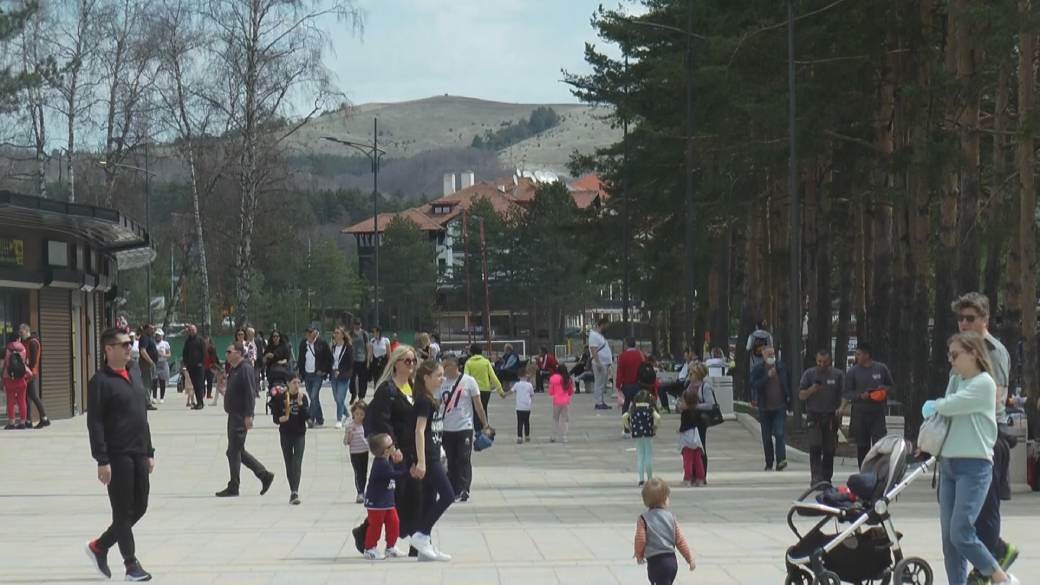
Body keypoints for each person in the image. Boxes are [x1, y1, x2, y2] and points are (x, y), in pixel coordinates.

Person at [922, 332, 1019, 585]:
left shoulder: (985, 383)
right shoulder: (956, 380)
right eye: (949, 356)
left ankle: (1000, 577)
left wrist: (937, 403)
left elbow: (950, 406)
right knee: (949, 540)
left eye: (955, 355)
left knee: (961, 532)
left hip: (974, 467)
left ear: (974, 354)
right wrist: (939, 403)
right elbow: (944, 407)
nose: (951, 361)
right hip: (949, 465)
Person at [950, 293, 1018, 580]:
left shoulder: (994, 351)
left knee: (985, 512)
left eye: (971, 318)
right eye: (961, 319)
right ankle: (996, 554)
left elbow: (996, 400)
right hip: (964, 440)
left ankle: (992, 565)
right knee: (968, 516)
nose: (964, 324)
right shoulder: (961, 350)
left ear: (985, 319)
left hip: (989, 438)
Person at [85, 328, 155, 582]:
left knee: (141, 507)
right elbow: (96, 424)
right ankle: (131, 565)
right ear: (108, 349)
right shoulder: (100, 382)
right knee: (123, 512)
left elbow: (141, 415)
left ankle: (99, 546)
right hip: (116, 455)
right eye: (124, 344)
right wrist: (102, 460)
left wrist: (149, 451)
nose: (129, 348)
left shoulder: (134, 371)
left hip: (138, 452)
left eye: (131, 343)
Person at [352, 346, 422, 557]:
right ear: (396, 363)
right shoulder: (387, 390)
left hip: (413, 450)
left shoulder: (413, 386)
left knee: (415, 496)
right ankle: (366, 531)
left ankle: (414, 542)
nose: (411, 365)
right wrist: (393, 449)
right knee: (397, 498)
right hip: (396, 452)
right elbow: (383, 421)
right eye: (407, 361)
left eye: (413, 361)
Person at [216, 342, 275, 497]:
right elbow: (235, 392)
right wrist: (223, 391)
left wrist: (249, 415)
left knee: (233, 451)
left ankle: (234, 486)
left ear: (239, 353)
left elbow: (250, 393)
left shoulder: (245, 369)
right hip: (233, 415)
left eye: (229, 351)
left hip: (240, 416)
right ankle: (264, 475)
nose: (226, 354)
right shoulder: (234, 370)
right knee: (236, 451)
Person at [409, 359, 453, 562]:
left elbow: (433, 430)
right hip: (428, 457)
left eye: (443, 375)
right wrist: (421, 461)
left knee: (428, 500)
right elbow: (418, 430)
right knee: (448, 495)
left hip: (435, 453)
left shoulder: (431, 399)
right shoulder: (423, 401)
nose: (442, 378)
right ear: (426, 378)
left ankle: (424, 549)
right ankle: (421, 535)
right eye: (438, 375)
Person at [440, 355, 491, 502]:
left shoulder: (469, 381)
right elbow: (436, 404)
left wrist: (485, 424)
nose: (443, 370)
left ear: (455, 366)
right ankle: (453, 488)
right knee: (450, 459)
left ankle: (463, 489)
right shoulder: (441, 382)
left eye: (446, 366)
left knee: (463, 458)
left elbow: (478, 405)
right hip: (446, 427)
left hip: (464, 426)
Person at [633, 478, 696, 585]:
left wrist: (639, 555)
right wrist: (689, 558)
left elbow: (640, 539)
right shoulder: (671, 517)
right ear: (664, 500)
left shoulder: (643, 519)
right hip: (671, 561)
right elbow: (680, 541)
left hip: (655, 562)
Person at [843, 341, 894, 467]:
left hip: (878, 413)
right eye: (856, 354)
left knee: (879, 445)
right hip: (860, 414)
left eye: (859, 354)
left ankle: (879, 471)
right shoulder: (852, 372)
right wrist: (860, 395)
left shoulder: (881, 368)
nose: (856, 357)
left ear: (867, 355)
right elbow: (847, 393)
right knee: (862, 446)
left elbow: (890, 385)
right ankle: (864, 471)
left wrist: (882, 391)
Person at [798, 350, 845, 486]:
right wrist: (812, 390)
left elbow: (844, 394)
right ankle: (816, 478)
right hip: (814, 415)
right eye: (819, 362)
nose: (821, 364)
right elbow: (801, 395)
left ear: (829, 361)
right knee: (815, 446)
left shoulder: (837, 375)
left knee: (829, 449)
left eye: (824, 362)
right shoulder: (809, 374)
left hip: (831, 416)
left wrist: (841, 407)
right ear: (816, 360)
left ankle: (826, 478)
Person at [362, 433, 410, 560]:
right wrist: (408, 471)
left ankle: (391, 547)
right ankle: (369, 548)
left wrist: (399, 463)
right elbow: (394, 475)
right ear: (386, 451)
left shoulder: (387, 461)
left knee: (394, 522)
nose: (394, 446)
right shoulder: (380, 464)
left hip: (387, 501)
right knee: (376, 526)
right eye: (391, 444)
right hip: (376, 503)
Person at [268, 376, 309, 505]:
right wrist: (280, 419)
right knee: (289, 462)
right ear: (288, 384)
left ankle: (295, 491)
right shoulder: (281, 398)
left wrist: (301, 405)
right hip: (285, 434)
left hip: (299, 434)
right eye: (294, 383)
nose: (296, 385)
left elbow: (308, 417)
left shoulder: (302, 397)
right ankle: (292, 489)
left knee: (297, 462)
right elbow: (275, 416)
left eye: (298, 383)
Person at [750, 346, 790, 471]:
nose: (772, 356)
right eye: (769, 355)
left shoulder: (781, 367)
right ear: (763, 355)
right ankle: (769, 462)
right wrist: (767, 376)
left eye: (773, 354)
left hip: (780, 407)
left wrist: (789, 400)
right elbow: (753, 384)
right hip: (765, 408)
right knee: (766, 437)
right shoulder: (758, 369)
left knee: (779, 433)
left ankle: (781, 461)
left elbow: (788, 383)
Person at [683, 363, 715, 478]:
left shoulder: (705, 387)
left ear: (698, 374)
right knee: (688, 447)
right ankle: (691, 474)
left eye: (692, 373)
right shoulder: (690, 386)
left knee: (700, 447)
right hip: (689, 420)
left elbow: (710, 405)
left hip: (700, 420)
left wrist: (694, 406)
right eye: (689, 373)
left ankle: (702, 475)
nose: (690, 376)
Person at [298, 324, 333, 427]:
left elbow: (328, 359)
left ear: (315, 332)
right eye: (307, 332)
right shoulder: (303, 344)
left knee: (313, 396)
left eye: (310, 332)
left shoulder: (322, 343)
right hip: (307, 374)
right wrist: (300, 373)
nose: (308, 334)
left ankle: (310, 418)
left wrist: (323, 371)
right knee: (314, 398)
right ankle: (320, 419)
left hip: (317, 374)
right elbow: (301, 359)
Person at [624, 388, 661, 486]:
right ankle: (649, 477)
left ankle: (641, 479)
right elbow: (658, 417)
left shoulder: (634, 409)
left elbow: (624, 416)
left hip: (637, 433)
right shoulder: (650, 409)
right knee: (648, 454)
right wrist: (655, 427)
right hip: (648, 432)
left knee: (640, 455)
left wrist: (628, 427)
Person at [463, 343, 505, 423]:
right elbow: (493, 377)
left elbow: (465, 378)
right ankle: (485, 428)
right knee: (484, 409)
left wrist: (463, 392)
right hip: (486, 390)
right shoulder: (486, 362)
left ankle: (478, 431)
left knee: (475, 411)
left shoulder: (468, 363)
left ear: (471, 352)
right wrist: (500, 391)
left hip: (473, 391)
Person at [17, 324, 49, 427]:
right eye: (20, 334)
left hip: (31, 372)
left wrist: (27, 367)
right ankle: (28, 420)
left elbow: (34, 360)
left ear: (27, 331)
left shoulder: (33, 342)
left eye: (22, 333)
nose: (21, 336)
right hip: (27, 372)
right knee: (27, 396)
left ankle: (44, 418)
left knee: (33, 395)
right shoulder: (26, 341)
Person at [677, 387, 706, 487]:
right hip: (696, 437)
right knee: (698, 459)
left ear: (687, 402)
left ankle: (688, 478)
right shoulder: (696, 411)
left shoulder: (685, 413)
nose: (681, 403)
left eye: (682, 401)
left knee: (687, 460)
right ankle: (700, 478)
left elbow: (684, 425)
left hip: (687, 439)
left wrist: (679, 430)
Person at [2, 334, 31, 429]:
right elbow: (23, 363)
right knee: (22, 401)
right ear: (18, 339)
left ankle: (12, 422)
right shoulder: (23, 349)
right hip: (21, 379)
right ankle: (22, 422)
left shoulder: (6, 349)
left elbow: (5, 364)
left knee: (10, 402)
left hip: (9, 378)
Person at [344, 401, 369, 503]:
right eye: (357, 414)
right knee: (358, 472)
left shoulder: (366, 425)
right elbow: (346, 442)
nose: (359, 416)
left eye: (362, 414)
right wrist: (349, 435)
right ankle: (360, 492)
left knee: (364, 472)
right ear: (353, 413)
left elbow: (369, 438)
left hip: (364, 451)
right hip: (354, 452)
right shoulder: (350, 425)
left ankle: (363, 490)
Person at [616, 337, 645, 425]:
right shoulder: (640, 355)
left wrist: (618, 385)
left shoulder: (622, 356)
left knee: (625, 406)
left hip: (627, 385)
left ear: (626, 345)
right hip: (638, 384)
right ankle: (639, 425)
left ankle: (626, 428)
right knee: (639, 406)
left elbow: (620, 372)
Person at [330, 326, 355, 429]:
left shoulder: (348, 347)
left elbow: (350, 363)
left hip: (343, 376)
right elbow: (331, 360)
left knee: (340, 397)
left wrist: (340, 372)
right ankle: (347, 415)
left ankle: (339, 419)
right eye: (334, 333)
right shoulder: (333, 347)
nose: (335, 335)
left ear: (342, 335)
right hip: (333, 375)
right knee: (337, 399)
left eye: (337, 333)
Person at [589, 318, 613, 410]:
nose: (607, 328)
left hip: (604, 363)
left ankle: (601, 401)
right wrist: (598, 363)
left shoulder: (599, 335)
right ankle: (598, 402)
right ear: (602, 325)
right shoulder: (593, 336)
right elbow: (593, 350)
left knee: (602, 383)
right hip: (600, 363)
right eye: (606, 326)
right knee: (599, 383)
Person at [181, 325, 206, 410]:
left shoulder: (200, 340)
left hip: (199, 366)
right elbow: (185, 353)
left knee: (199, 385)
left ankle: (200, 403)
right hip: (190, 366)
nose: (191, 331)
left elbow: (204, 352)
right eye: (190, 330)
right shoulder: (188, 341)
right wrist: (185, 363)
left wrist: (201, 363)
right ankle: (199, 402)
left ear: (196, 330)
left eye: (193, 330)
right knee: (195, 385)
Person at [548, 363, 574, 443]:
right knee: (565, 419)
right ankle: (564, 436)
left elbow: (551, 392)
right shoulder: (568, 379)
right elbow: (570, 392)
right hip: (565, 401)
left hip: (556, 401)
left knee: (555, 418)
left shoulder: (553, 379)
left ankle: (553, 436)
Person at [349, 319, 372, 403]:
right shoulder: (350, 334)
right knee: (352, 379)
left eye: (358, 324)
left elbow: (368, 347)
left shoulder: (364, 334)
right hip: (353, 360)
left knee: (363, 380)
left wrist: (368, 360)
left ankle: (361, 396)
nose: (357, 326)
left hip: (362, 359)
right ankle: (353, 394)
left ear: (361, 325)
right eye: (355, 324)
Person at [138, 325, 158, 409]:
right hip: (146, 364)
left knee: (149, 383)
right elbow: (143, 351)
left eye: (153, 329)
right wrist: (151, 362)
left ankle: (147, 401)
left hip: (149, 364)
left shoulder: (149, 338)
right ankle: (147, 403)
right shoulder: (144, 338)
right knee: (147, 383)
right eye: (151, 329)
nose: (153, 330)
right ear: (146, 330)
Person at [515, 363, 535, 443]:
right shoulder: (529, 385)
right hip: (527, 407)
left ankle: (519, 437)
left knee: (519, 422)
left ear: (519, 376)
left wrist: (504, 394)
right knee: (527, 422)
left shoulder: (517, 384)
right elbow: (532, 394)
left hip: (519, 407)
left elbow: (511, 391)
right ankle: (527, 436)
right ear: (526, 375)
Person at [153, 329, 171, 405]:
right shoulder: (153, 343)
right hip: (155, 363)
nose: (158, 337)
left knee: (162, 381)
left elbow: (169, 354)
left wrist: (163, 355)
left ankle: (162, 397)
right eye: (157, 335)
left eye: (159, 335)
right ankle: (154, 397)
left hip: (163, 363)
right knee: (154, 380)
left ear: (162, 336)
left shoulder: (165, 343)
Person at [203, 336, 221, 401]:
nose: (206, 342)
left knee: (209, 381)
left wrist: (216, 364)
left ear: (209, 341)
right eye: (205, 340)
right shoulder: (202, 348)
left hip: (210, 367)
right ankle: (203, 393)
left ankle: (209, 394)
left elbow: (215, 357)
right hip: (203, 367)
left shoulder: (212, 348)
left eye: (207, 341)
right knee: (202, 381)